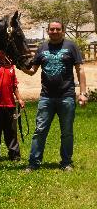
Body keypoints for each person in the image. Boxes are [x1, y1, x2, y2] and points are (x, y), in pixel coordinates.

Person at [22, 20, 88, 172]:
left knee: (67, 132)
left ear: (63, 31)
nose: (54, 31)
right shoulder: (42, 47)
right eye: (52, 29)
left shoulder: (71, 46)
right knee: (40, 131)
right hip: (46, 97)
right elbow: (32, 70)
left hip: (67, 96)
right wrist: (20, 67)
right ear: (48, 31)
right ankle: (33, 163)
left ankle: (66, 162)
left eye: (57, 29)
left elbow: (80, 70)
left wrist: (83, 93)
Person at [0, 50, 25, 163]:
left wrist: (20, 99)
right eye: (0, 50)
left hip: (10, 104)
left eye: (4, 50)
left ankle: (14, 155)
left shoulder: (11, 65)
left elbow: (14, 85)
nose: (3, 52)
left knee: (11, 131)